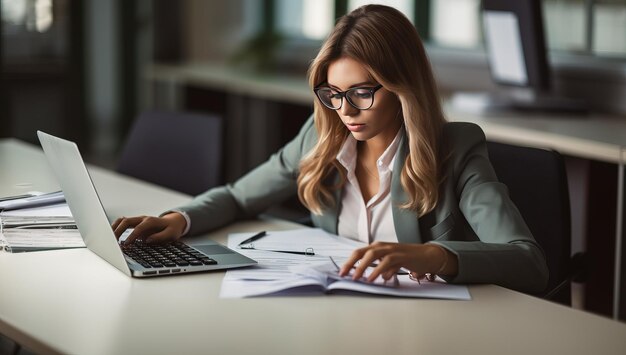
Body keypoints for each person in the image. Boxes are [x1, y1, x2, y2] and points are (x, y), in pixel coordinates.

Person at [112, 5, 548, 294]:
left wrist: (433, 255)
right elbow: (239, 195)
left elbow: (528, 260)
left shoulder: (457, 148)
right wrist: (177, 219)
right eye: (332, 94)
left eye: (362, 92)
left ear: (403, 87)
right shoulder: (322, 139)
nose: (345, 111)